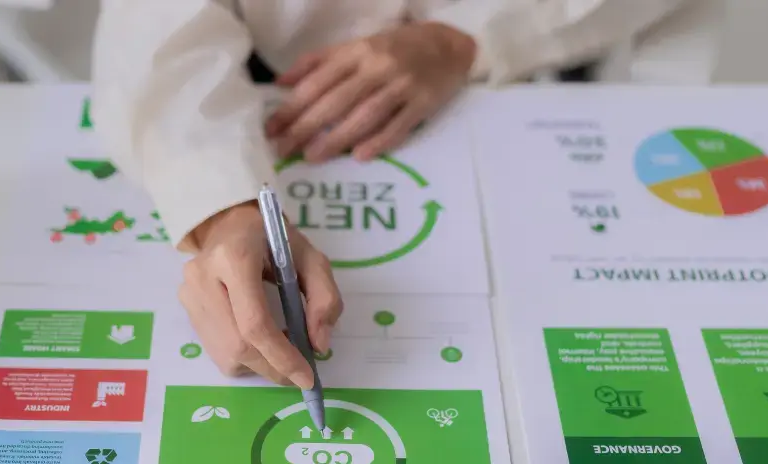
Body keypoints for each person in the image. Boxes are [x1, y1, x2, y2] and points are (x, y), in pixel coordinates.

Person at [90, 0, 719, 389]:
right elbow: (153, 23)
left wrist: (465, 37)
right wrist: (225, 209)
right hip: (275, 98)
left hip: (536, 82)